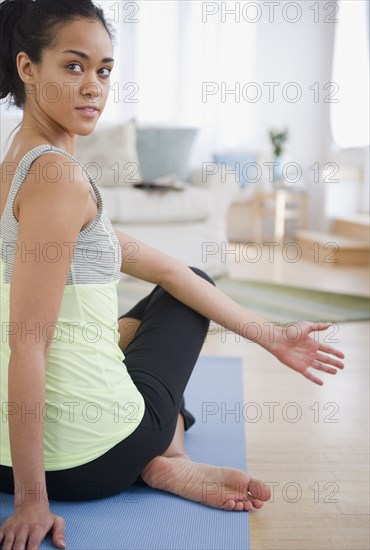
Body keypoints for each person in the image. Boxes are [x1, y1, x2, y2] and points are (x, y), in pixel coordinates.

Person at [0, 1, 345, 549]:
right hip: (93, 460)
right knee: (194, 288)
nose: (93, 85)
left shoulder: (14, 166)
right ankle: (165, 457)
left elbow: (157, 265)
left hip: (6, 453)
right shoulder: (58, 179)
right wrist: (31, 502)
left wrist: (274, 337)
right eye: (73, 66)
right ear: (27, 69)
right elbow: (29, 346)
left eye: (104, 70)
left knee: (156, 296)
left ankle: (160, 446)